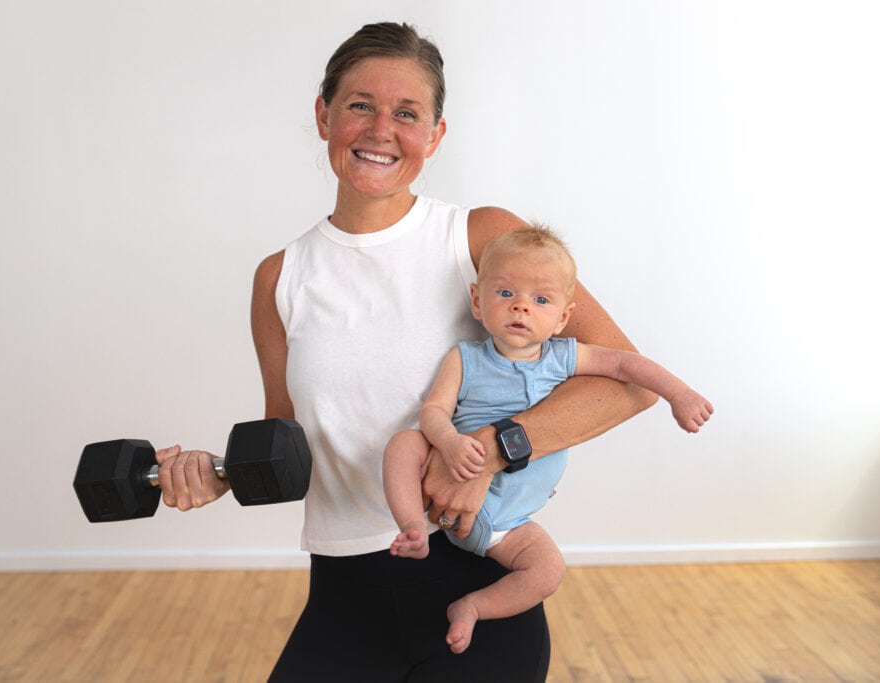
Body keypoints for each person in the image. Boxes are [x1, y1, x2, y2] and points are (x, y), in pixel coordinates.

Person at [153, 22, 658, 681]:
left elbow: (628, 382)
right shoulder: (279, 277)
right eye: (360, 104)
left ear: (435, 136)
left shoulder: (481, 238)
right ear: (323, 115)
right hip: (343, 601)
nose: (380, 130)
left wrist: (490, 452)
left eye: (407, 113)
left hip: (472, 585)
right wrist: (213, 473)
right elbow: (292, 446)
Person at [383, 224, 713, 654]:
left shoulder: (564, 358)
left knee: (547, 571)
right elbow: (434, 411)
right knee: (403, 445)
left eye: (540, 300)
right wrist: (448, 443)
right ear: (477, 301)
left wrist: (679, 393)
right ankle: (412, 529)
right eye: (505, 293)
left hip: (508, 525)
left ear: (562, 318)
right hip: (444, 486)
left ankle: (474, 608)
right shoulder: (465, 357)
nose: (521, 306)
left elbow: (624, 366)